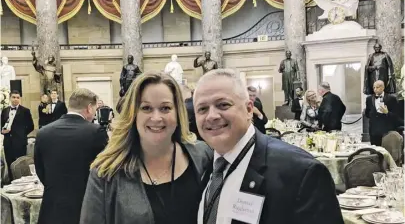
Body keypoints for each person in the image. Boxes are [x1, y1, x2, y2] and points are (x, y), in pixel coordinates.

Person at [193, 69, 343, 224]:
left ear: (249, 110)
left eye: (223, 105)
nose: (211, 116)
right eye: (202, 109)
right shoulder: (204, 165)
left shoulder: (302, 173)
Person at [80, 71, 212, 224]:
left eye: (165, 108)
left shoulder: (203, 156)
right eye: (146, 108)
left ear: (178, 113)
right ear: (133, 113)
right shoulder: (106, 173)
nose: (156, 118)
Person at [34, 88, 108, 224]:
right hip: (84, 206)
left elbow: (40, 169)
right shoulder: (96, 131)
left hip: (52, 207)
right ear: (89, 108)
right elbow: (105, 169)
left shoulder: (43, 132)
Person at [1, 90, 34, 176]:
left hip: (20, 143)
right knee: (9, 165)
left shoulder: (25, 111)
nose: (16, 99)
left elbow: (31, 126)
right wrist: (2, 131)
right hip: (8, 143)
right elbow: (1, 125)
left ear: (20, 99)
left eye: (18, 97)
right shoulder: (5, 111)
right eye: (14, 97)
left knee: (20, 166)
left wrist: (21, 134)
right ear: (10, 98)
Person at [365, 80, 402, 146]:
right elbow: (367, 113)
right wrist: (372, 114)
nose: (375, 89)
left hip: (387, 131)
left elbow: (397, 116)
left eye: (377, 87)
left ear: (383, 88)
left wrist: (387, 112)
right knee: (375, 152)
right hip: (374, 131)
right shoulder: (369, 99)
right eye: (374, 87)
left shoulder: (391, 99)